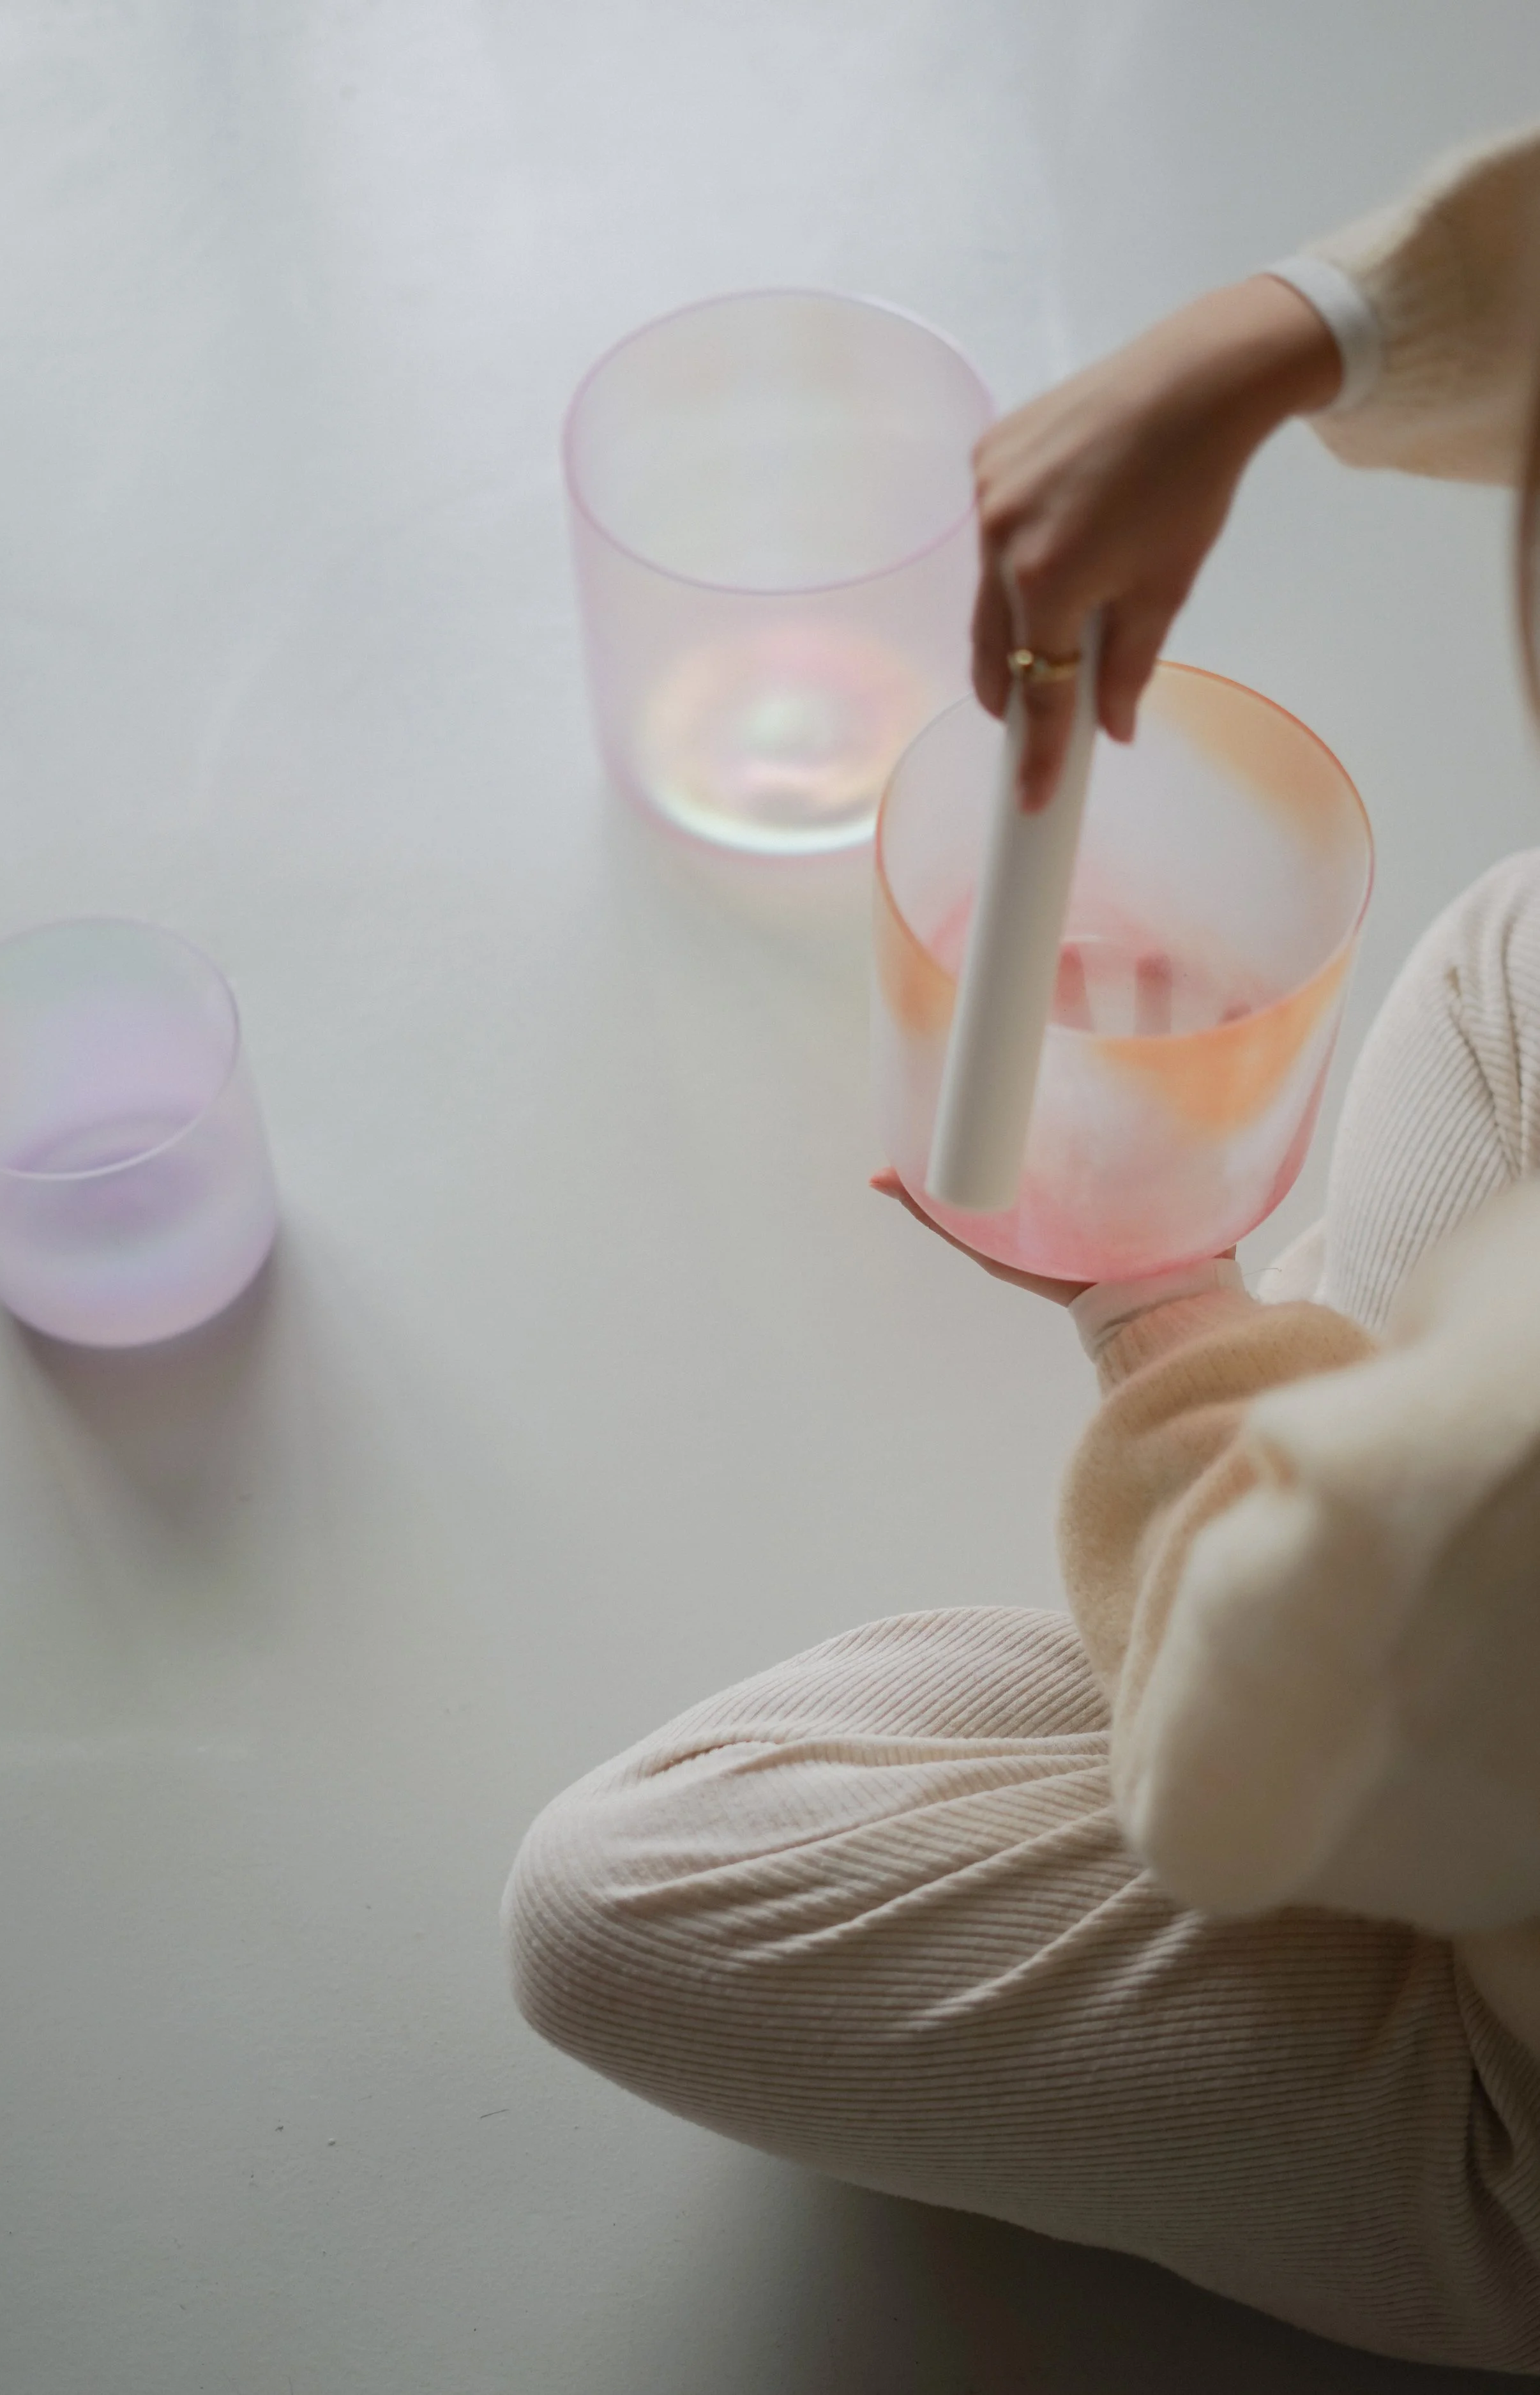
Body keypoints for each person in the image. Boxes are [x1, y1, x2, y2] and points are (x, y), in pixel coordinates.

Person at [504, 124, 1540, 2371]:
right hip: (1465, 1633)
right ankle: (1284, 1554)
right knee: (1509, 945)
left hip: (1504, 2078)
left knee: (612, 1904)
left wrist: (1151, 1301)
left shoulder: (1508, 1468)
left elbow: (1248, 1794)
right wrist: (1288, 337)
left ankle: (1266, 1557)